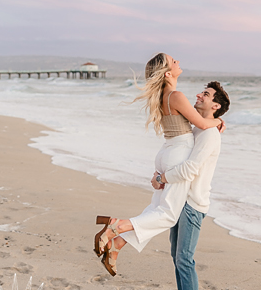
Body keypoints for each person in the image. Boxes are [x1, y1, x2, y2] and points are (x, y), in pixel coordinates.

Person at [92, 53, 223, 276]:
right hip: (178, 153)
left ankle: (117, 245)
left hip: (167, 151)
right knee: (168, 215)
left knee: (155, 209)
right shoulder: (176, 95)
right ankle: (117, 226)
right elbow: (202, 123)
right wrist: (219, 120)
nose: (178, 61)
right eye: (174, 61)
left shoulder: (162, 95)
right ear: (168, 73)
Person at [151, 80, 229, 290]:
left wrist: (162, 178)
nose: (199, 95)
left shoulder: (209, 135)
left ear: (215, 106)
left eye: (206, 94)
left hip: (193, 204)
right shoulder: (199, 128)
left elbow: (190, 169)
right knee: (176, 254)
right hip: (180, 198)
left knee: (185, 258)